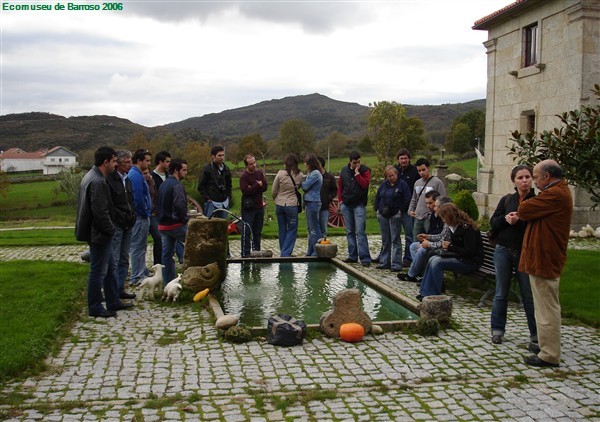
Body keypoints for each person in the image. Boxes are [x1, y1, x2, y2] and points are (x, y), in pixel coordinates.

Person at [519, 159, 573, 368]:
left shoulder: (555, 194)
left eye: (534, 176)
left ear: (547, 176)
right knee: (542, 305)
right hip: (541, 256)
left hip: (545, 257)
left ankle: (549, 354)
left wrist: (523, 195)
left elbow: (525, 211)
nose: (532, 181)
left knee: (546, 307)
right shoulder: (555, 192)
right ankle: (544, 344)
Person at [75, 146, 133, 318]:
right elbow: (100, 212)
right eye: (114, 161)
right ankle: (94, 306)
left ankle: (113, 300)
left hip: (96, 231)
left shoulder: (91, 176)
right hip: (98, 233)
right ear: (106, 161)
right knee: (98, 270)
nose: (116, 165)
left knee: (110, 268)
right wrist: (110, 230)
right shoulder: (98, 181)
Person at [490, 165, 537, 349]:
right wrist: (505, 220)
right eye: (520, 178)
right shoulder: (507, 200)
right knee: (501, 292)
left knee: (528, 294)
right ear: (514, 181)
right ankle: (497, 330)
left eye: (527, 177)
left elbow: (536, 225)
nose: (524, 180)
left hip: (524, 251)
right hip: (503, 249)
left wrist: (520, 220)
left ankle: (535, 333)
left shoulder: (535, 201)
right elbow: (494, 222)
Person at [417, 203, 483, 301]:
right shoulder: (453, 227)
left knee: (437, 262)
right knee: (432, 259)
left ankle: (434, 293)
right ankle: (425, 291)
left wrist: (450, 246)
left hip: (470, 261)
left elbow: (470, 251)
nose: (443, 221)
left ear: (449, 217)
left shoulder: (468, 229)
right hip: (460, 257)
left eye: (444, 218)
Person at [106, 150, 137, 300]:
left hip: (128, 223)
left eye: (130, 162)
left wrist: (133, 216)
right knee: (114, 259)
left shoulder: (127, 179)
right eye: (127, 162)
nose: (130, 165)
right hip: (117, 224)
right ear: (118, 163)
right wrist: (118, 217)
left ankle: (120, 288)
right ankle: (111, 292)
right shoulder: (110, 180)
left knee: (124, 258)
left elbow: (130, 200)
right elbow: (110, 204)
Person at [398, 192, 448, 282]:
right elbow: (435, 233)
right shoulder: (432, 215)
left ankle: (411, 275)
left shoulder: (445, 219)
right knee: (413, 246)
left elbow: (443, 238)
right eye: (426, 203)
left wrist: (428, 243)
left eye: (431, 203)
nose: (428, 206)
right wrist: (426, 237)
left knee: (421, 250)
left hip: (443, 247)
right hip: (435, 243)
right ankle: (423, 274)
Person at [157, 158, 190, 285]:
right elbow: (180, 205)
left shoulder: (164, 184)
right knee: (198, 244)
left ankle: (168, 284)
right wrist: (186, 220)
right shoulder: (177, 185)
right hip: (175, 224)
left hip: (163, 225)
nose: (186, 173)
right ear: (176, 170)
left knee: (167, 255)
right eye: (184, 170)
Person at [374, 165, 410, 271]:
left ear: (396, 174)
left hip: (395, 214)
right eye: (388, 176)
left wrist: (400, 210)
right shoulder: (383, 185)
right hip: (382, 214)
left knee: (395, 239)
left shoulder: (402, 184)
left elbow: (407, 198)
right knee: (385, 239)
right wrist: (377, 209)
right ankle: (384, 262)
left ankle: (396, 264)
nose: (391, 178)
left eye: (392, 175)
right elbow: (377, 197)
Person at [338, 151, 372, 266]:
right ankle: (352, 256)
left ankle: (365, 258)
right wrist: (340, 202)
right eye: (354, 163)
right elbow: (340, 187)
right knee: (349, 231)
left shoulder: (365, 170)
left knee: (360, 232)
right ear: (350, 162)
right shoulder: (344, 171)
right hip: (346, 204)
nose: (357, 165)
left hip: (359, 205)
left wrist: (357, 174)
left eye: (358, 162)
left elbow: (365, 185)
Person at [128, 149, 152, 286]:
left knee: (141, 246)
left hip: (141, 215)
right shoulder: (136, 176)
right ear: (139, 161)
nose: (149, 163)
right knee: (137, 246)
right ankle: (136, 276)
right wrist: (145, 211)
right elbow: (137, 197)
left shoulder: (136, 174)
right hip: (140, 216)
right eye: (147, 160)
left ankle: (141, 271)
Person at [272, 154, 304, 257]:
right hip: (291, 204)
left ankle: (283, 251)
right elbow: (299, 187)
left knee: (282, 229)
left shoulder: (280, 173)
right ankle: (286, 253)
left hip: (280, 204)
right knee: (292, 229)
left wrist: (275, 198)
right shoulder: (299, 175)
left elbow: (274, 189)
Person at [394, 148, 420, 266]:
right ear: (398, 160)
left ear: (409, 159)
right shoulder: (395, 170)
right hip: (395, 208)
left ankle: (408, 258)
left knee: (409, 235)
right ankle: (396, 257)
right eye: (401, 158)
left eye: (405, 158)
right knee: (395, 235)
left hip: (409, 209)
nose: (403, 160)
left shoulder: (414, 171)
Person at [408, 158, 446, 239]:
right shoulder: (417, 183)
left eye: (423, 170)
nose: (421, 172)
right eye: (419, 171)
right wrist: (410, 210)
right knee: (416, 241)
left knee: (430, 240)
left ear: (428, 168)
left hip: (430, 217)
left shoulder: (437, 182)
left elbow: (443, 201)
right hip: (418, 216)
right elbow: (414, 199)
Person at [240, 154, 268, 258]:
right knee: (246, 231)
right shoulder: (244, 177)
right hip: (248, 209)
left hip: (259, 207)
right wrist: (257, 185)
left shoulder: (259, 173)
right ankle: (245, 253)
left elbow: (265, 186)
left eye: (254, 162)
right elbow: (246, 191)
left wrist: (254, 187)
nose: (254, 165)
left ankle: (256, 251)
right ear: (247, 165)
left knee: (257, 232)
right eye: (251, 164)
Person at [149, 150, 171, 264]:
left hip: (166, 212)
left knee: (167, 238)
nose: (169, 164)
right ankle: (157, 263)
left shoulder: (168, 176)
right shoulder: (152, 176)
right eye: (167, 162)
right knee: (158, 238)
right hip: (155, 212)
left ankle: (166, 261)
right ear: (160, 162)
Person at [198, 145, 232, 219]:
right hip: (212, 202)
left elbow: (229, 185)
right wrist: (207, 199)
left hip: (224, 202)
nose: (222, 157)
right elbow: (201, 185)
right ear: (213, 156)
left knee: (222, 225)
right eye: (219, 155)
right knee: (209, 225)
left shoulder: (226, 169)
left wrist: (228, 197)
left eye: (223, 155)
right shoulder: (207, 169)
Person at [301, 154, 324, 256]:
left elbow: (305, 186)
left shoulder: (315, 174)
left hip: (313, 202)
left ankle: (316, 251)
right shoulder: (312, 173)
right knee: (310, 229)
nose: (305, 164)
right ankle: (310, 251)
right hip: (309, 202)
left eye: (306, 162)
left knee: (314, 228)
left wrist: (299, 182)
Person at [317, 156, 337, 238]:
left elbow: (335, 190)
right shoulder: (312, 176)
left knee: (323, 230)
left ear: (321, 165)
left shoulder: (329, 177)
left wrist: (329, 198)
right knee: (313, 230)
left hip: (324, 207)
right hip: (314, 206)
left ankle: (323, 248)